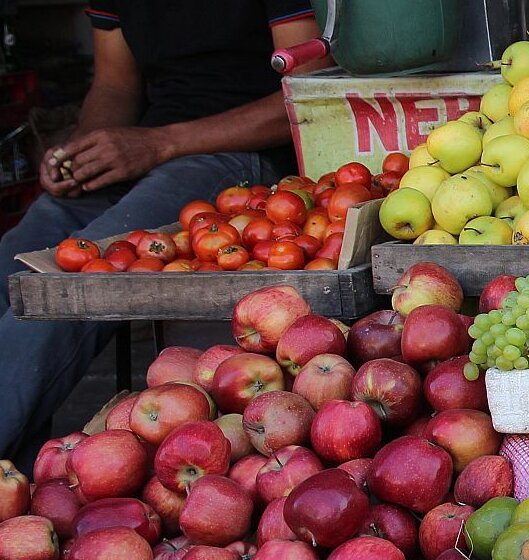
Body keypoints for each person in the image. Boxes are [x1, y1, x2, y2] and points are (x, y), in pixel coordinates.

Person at [0, 1, 325, 465]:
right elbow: (114, 84)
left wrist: (160, 144)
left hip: (244, 160)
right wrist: (83, 154)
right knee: (14, 255)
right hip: (150, 152)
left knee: (75, 279)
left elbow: (304, 92)